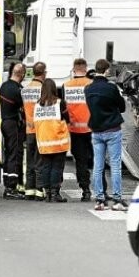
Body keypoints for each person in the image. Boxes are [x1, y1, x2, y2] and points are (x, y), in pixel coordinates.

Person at [85, 59, 126, 211]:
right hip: (113, 130)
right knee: (115, 166)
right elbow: (121, 107)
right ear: (107, 70)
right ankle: (117, 199)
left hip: (96, 131)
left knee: (98, 166)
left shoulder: (88, 89)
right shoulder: (111, 88)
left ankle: (99, 200)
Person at [62, 58, 93, 202]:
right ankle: (101, 190)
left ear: (74, 70)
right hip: (92, 128)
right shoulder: (91, 84)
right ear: (86, 69)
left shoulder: (66, 85)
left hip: (74, 129)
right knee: (97, 161)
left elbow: (63, 108)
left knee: (80, 161)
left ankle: (85, 190)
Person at [35, 79, 70, 203]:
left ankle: (48, 194)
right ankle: (55, 194)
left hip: (43, 142)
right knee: (56, 168)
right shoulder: (60, 103)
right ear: (54, 89)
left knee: (45, 167)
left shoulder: (37, 105)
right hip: (58, 141)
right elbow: (67, 119)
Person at [0, 62, 27, 200]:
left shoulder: (4, 86)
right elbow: (24, 107)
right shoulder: (18, 90)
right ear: (21, 74)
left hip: (5, 122)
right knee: (14, 155)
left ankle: (7, 184)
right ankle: (11, 188)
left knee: (8, 153)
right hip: (13, 124)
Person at [22, 62, 46, 200]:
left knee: (30, 161)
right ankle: (39, 190)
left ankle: (28, 191)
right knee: (40, 162)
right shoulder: (43, 89)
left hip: (29, 129)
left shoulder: (25, 89)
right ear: (43, 73)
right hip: (41, 130)